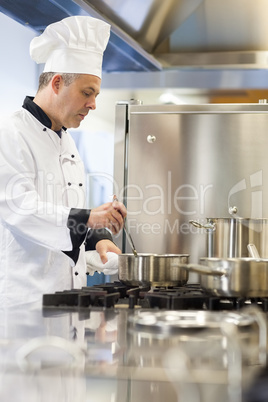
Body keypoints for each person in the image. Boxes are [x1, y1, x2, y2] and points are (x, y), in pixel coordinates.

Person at [0, 15, 127, 306]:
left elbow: (59, 213)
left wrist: (96, 240)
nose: (93, 104)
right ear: (57, 83)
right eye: (87, 93)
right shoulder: (10, 133)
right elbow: (21, 210)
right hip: (25, 305)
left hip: (68, 300)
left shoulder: (65, 140)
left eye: (95, 95)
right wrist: (89, 218)